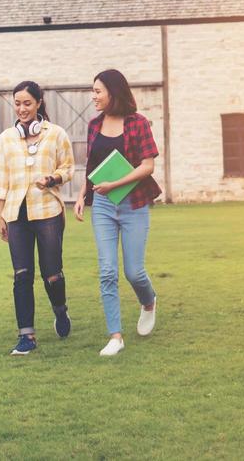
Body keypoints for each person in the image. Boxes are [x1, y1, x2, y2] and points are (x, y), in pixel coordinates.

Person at [75, 68, 162, 357]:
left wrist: (115, 183)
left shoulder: (138, 123)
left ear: (114, 91)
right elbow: (92, 165)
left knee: (134, 272)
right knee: (107, 271)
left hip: (134, 204)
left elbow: (147, 166)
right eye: (93, 91)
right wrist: (81, 195)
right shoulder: (93, 125)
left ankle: (148, 302)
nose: (93, 96)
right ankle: (115, 336)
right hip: (102, 206)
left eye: (98, 91)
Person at [0, 80, 75, 355]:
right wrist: (1, 215)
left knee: (51, 273)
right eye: (17, 103)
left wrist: (52, 178)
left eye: (27, 103)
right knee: (21, 274)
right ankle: (26, 335)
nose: (21, 109)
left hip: (48, 212)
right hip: (16, 213)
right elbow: (1, 180)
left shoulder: (56, 134)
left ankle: (60, 311)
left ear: (39, 103)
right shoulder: (6, 138)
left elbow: (68, 168)